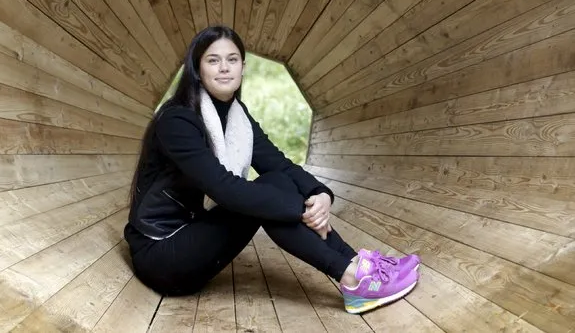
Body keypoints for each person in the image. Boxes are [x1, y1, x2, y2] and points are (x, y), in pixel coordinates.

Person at [124, 25, 420, 314]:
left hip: (195, 239)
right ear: (197, 69)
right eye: (213, 61)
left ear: (243, 67)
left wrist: (320, 194)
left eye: (232, 60)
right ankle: (352, 277)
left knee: (276, 179)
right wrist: (300, 209)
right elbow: (224, 189)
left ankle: (357, 264)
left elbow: (279, 164)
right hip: (162, 254)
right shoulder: (177, 120)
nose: (224, 68)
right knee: (264, 196)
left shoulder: (239, 119)